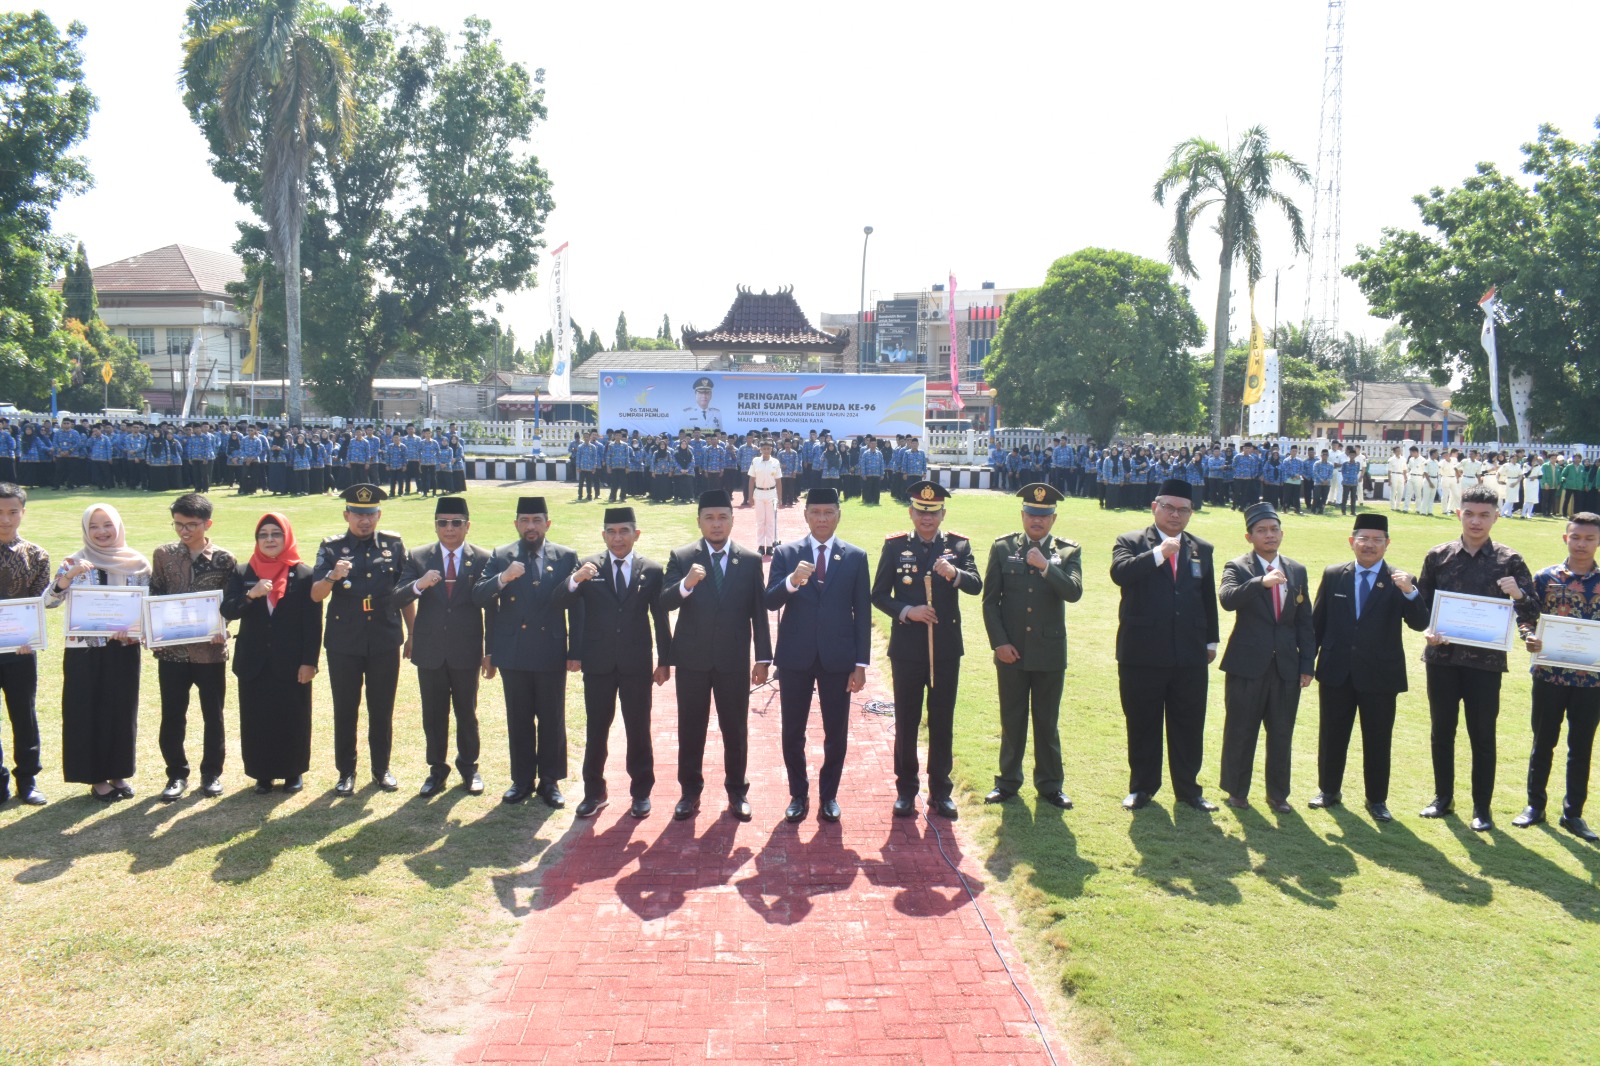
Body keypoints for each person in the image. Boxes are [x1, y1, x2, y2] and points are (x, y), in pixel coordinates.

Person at [1416, 486, 1539, 830]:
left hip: (1485, 664)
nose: (1476, 521)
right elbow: (1422, 607)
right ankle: (1443, 798)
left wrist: (1519, 594)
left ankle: (1481, 808)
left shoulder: (1509, 560)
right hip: (1442, 658)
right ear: (1458, 513)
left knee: (1482, 735)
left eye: (1484, 514)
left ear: (1496, 517)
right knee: (1443, 731)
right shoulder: (1438, 556)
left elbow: (1532, 610)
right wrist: (1428, 630)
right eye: (1469, 513)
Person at [871, 480, 982, 820]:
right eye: (921, 511)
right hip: (907, 649)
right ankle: (906, 789)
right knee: (906, 718)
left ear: (943, 514)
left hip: (945, 649)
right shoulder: (895, 547)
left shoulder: (958, 547)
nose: (927, 518)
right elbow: (878, 595)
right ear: (911, 512)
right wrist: (908, 612)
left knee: (942, 719)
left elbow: (977, 585)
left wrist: (956, 573)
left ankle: (941, 791)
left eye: (933, 513)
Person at [1308, 513, 1430, 821]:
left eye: (1377, 540)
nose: (1369, 546)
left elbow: (1420, 623)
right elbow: (1316, 624)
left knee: (1378, 739)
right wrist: (1306, 664)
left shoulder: (1400, 579)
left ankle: (1377, 799)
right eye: (1363, 539)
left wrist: (1410, 593)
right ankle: (1328, 789)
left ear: (1387, 544)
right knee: (1332, 734)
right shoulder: (1335, 574)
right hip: (1336, 670)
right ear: (1352, 542)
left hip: (1380, 674)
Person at [659, 490, 771, 821]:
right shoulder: (681, 557)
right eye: (709, 517)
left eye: (723, 517)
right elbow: (664, 603)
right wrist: (686, 584)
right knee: (690, 728)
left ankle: (737, 791)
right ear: (699, 521)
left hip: (733, 661)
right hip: (692, 660)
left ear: (733, 520)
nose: (716, 524)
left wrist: (763, 658)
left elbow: (759, 613)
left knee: (735, 729)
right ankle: (689, 792)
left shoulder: (750, 560)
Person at [1111, 478, 1221, 812]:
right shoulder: (1130, 541)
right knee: (1143, 722)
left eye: (1183, 509)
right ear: (1154, 507)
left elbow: (1206, 597)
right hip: (1141, 651)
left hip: (1188, 652)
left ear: (1191, 513)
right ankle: (1142, 788)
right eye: (1169, 507)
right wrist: (1159, 553)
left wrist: (1211, 639)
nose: (1175, 515)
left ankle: (1189, 790)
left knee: (1188, 723)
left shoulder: (1201, 548)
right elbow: (1120, 574)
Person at [556, 506, 671, 819]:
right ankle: (594, 792)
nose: (617, 538)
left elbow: (659, 617)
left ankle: (641, 792)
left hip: (636, 663)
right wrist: (574, 580)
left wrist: (664, 660)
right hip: (598, 663)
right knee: (597, 729)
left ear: (636, 534)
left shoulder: (652, 569)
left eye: (624, 531)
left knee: (638, 728)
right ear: (603, 534)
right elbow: (563, 605)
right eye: (611, 532)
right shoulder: (587, 566)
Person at [765, 487, 871, 823]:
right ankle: (798, 794)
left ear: (839, 514)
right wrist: (793, 582)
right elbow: (769, 600)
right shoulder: (786, 553)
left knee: (835, 730)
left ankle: (829, 796)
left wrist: (860, 664)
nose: (822, 519)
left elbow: (863, 613)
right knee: (792, 730)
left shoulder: (855, 556)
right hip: (795, 657)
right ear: (806, 514)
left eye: (829, 512)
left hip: (838, 658)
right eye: (816, 512)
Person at [473, 496, 581, 807]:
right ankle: (521, 780)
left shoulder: (565, 556)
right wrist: (503, 578)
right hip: (514, 651)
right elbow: (481, 599)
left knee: (551, 717)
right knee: (518, 717)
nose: (530, 527)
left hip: (550, 649)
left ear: (548, 523)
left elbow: (577, 607)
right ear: (516, 524)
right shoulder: (501, 555)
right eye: (524, 521)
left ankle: (550, 781)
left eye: (536, 521)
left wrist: (575, 649)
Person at [980, 483, 1082, 809]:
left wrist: (1045, 566)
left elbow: (1073, 592)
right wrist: (1000, 644)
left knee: (1046, 721)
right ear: (1023, 515)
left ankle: (1051, 785)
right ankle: (1008, 782)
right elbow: (989, 603)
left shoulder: (1067, 552)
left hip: (1049, 653)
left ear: (1054, 519)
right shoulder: (1002, 548)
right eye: (1032, 514)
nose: (1037, 521)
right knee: (1012, 720)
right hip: (1011, 652)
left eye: (1045, 516)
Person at [46, 503, 150, 801]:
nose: (102, 532)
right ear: (85, 530)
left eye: (107, 524)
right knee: (86, 710)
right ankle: (95, 777)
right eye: (94, 526)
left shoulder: (138, 563)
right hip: (84, 652)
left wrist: (134, 630)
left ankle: (118, 773)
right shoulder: (73, 561)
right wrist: (68, 577)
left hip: (123, 649)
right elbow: (48, 602)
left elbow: (146, 607)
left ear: (118, 526)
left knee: (120, 710)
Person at [1216, 502, 1315, 812]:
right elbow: (1227, 600)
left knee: (1282, 732)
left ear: (1282, 533)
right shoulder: (1238, 567)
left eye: (1274, 530)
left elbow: (1304, 622)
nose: (1269, 535)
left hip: (1285, 666)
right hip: (1247, 664)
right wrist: (1260, 582)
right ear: (1249, 537)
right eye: (1261, 531)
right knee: (1241, 730)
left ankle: (1278, 794)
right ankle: (1236, 791)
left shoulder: (1296, 569)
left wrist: (1306, 664)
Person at [311, 484, 408, 796]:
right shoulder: (331, 547)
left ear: (378, 514)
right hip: (345, 641)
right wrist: (332, 576)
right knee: (346, 708)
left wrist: (414, 634)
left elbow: (405, 594)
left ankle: (381, 769)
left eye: (370, 514)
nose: (364, 520)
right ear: (346, 514)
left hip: (384, 637)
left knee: (382, 708)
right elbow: (316, 595)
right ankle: (346, 772)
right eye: (357, 514)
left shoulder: (393, 545)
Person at [393, 496, 491, 797]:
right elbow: (397, 597)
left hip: (466, 649)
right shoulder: (419, 557)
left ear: (467, 526)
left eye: (456, 523)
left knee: (466, 711)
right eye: (443, 523)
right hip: (430, 649)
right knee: (433, 714)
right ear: (435, 526)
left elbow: (494, 607)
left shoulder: (484, 558)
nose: (449, 529)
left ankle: (469, 767)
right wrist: (419, 585)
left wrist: (490, 651)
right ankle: (437, 770)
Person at [1512, 512, 1600, 842]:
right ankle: (1535, 806)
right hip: (1549, 676)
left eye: (1589, 538)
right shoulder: (1545, 578)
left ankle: (1573, 813)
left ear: (1598, 541)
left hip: (1592, 682)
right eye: (1575, 537)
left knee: (1581, 747)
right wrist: (1528, 637)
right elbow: (1526, 614)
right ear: (1566, 538)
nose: (1582, 544)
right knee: (1543, 742)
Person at [220, 513, 322, 792]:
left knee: (293, 716)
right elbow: (228, 610)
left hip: (291, 662)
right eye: (263, 534)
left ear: (286, 537)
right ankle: (261, 774)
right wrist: (250, 595)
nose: (269, 539)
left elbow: (312, 624)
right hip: (253, 661)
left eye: (276, 534)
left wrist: (309, 662)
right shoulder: (243, 572)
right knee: (256, 719)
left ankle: (293, 772)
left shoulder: (304, 574)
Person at [150, 493, 236, 802]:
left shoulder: (225, 560)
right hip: (172, 651)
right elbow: (155, 595)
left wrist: (222, 628)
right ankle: (176, 774)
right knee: (173, 714)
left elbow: (230, 603)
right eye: (178, 524)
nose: (184, 531)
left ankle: (211, 773)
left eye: (191, 525)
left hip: (210, 651)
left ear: (207, 523)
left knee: (213, 714)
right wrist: (154, 632)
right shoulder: (163, 554)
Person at [0, 484, 50, 806]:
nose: (5, 519)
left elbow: (42, 603)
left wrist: (29, 638)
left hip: (20, 651)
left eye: (12, 512)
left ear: (23, 512)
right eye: (0, 512)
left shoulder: (36, 555)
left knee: (24, 714)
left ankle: (27, 779)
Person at [746, 437, 784, 556]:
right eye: (764, 448)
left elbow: (778, 481)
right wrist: (750, 497)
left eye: (768, 448)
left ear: (771, 449)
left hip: (772, 493)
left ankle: (770, 545)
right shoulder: (755, 461)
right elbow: (752, 480)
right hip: (759, 493)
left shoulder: (776, 462)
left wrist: (780, 498)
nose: (766, 451)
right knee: (761, 520)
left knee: (771, 521)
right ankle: (761, 546)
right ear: (760, 449)